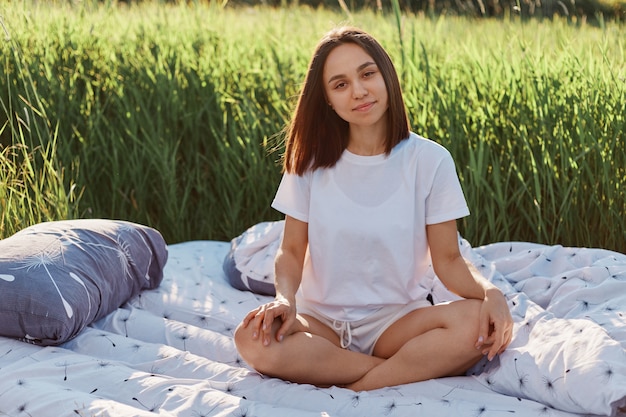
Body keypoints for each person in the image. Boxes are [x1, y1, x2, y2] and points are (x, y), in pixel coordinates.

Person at [234, 26, 513, 391]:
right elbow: (290, 250)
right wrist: (284, 299)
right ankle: (388, 372)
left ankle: (354, 385)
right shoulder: (308, 163)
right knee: (250, 338)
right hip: (319, 320)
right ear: (328, 100)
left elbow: (448, 261)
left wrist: (490, 292)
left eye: (367, 74)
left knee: (475, 320)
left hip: (396, 323)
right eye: (340, 84)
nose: (359, 91)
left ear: (387, 76)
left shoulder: (430, 161)